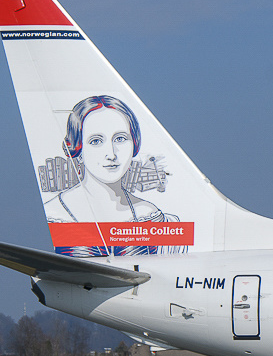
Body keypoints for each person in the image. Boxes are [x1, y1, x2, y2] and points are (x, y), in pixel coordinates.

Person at [45, 95, 178, 255]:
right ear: (77, 150)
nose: (112, 154)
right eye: (96, 141)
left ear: (134, 145)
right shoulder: (54, 213)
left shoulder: (149, 214)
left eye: (120, 139)